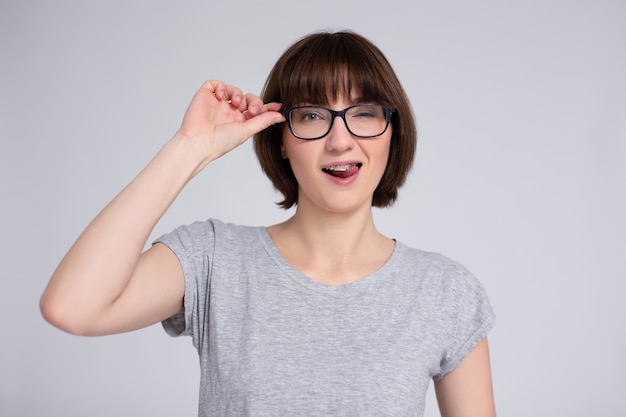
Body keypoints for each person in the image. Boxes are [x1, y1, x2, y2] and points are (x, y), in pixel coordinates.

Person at [40, 30, 496, 416]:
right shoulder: (214, 259)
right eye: (313, 116)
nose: (340, 141)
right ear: (280, 138)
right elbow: (72, 307)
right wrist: (189, 147)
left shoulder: (444, 291)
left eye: (364, 114)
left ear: (392, 131)